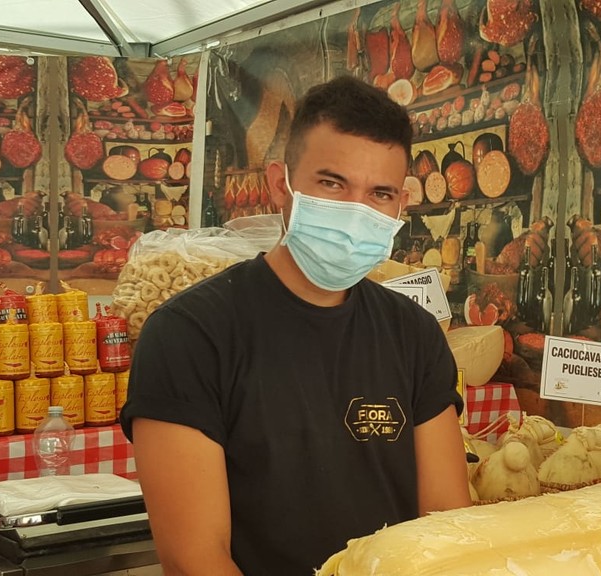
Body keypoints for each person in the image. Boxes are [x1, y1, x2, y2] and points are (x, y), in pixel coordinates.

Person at [119, 75, 472, 576]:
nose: (355, 211)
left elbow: (446, 526)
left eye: (380, 193)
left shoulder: (414, 334)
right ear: (279, 184)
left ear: (400, 206)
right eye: (332, 183)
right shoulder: (188, 335)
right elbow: (194, 559)